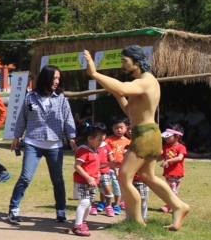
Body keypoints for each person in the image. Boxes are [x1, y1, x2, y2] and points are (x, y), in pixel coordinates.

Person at [82, 46, 191, 230]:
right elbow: (130, 111)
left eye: (125, 61)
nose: (122, 65)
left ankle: (136, 221)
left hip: (146, 135)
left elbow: (123, 88)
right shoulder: (141, 83)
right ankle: (179, 206)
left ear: (137, 62)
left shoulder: (146, 82)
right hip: (146, 132)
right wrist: (117, 94)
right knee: (148, 176)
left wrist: (94, 73)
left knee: (124, 176)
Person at [7, 65, 78, 224]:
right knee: (25, 177)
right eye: (54, 78)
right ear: (46, 78)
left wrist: (72, 138)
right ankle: (14, 208)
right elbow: (22, 118)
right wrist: (17, 137)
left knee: (58, 180)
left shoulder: (61, 98)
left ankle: (61, 210)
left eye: (59, 78)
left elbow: (68, 119)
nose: (57, 81)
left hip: (55, 144)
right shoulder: (30, 97)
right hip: (33, 142)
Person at [71, 122, 106, 237]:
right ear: (90, 138)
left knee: (89, 204)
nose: (101, 143)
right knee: (84, 202)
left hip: (92, 182)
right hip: (83, 181)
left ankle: (83, 222)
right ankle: (77, 225)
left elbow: (95, 165)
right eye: (100, 140)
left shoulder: (94, 149)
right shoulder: (83, 150)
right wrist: (88, 177)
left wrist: (105, 168)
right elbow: (77, 166)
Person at [104, 117, 131, 215]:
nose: (119, 130)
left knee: (117, 186)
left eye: (121, 127)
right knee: (105, 185)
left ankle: (117, 204)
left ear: (126, 128)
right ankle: (104, 203)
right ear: (112, 128)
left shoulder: (128, 141)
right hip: (108, 167)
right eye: (116, 128)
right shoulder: (108, 139)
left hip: (121, 167)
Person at [159, 124, 187, 213]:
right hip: (168, 173)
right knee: (172, 189)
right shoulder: (165, 147)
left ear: (177, 136)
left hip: (177, 172)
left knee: (173, 190)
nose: (166, 139)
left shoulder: (180, 147)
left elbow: (180, 157)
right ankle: (173, 206)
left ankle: (172, 206)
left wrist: (168, 161)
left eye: (168, 137)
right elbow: (161, 157)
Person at [93, 134, 115, 217]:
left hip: (105, 171)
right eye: (99, 134)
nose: (101, 136)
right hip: (93, 172)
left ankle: (109, 206)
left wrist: (115, 168)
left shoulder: (106, 145)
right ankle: (92, 206)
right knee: (93, 190)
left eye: (103, 134)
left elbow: (111, 159)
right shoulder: (91, 146)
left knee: (107, 188)